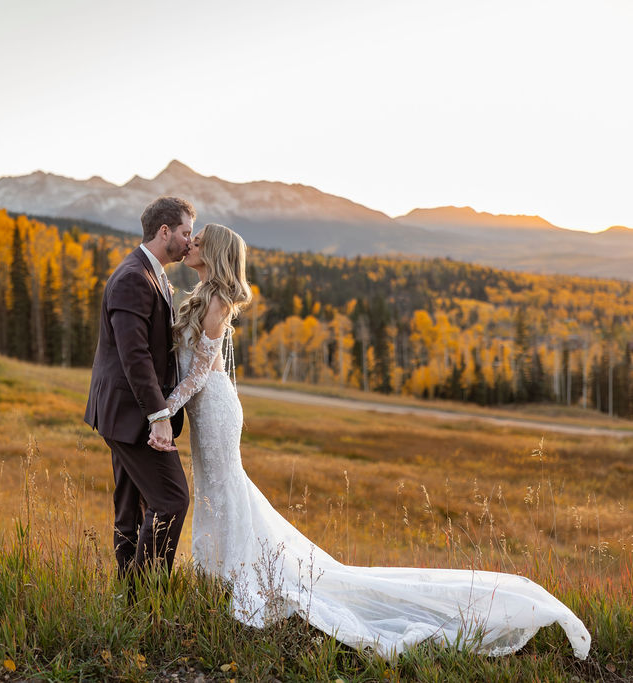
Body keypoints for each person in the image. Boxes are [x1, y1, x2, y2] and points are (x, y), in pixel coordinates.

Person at [157, 222, 592, 660]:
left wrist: (164, 409)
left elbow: (197, 374)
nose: (189, 244)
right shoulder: (202, 295)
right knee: (216, 489)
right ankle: (222, 577)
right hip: (208, 406)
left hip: (213, 407)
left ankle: (239, 580)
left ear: (214, 252)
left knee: (224, 489)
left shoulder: (217, 301)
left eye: (197, 241)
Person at [84, 196, 195, 580]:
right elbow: (134, 356)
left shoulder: (154, 274)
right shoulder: (133, 277)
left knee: (130, 507)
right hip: (130, 412)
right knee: (171, 499)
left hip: (127, 411)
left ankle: (129, 595)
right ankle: (147, 590)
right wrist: (159, 416)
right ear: (164, 231)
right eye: (185, 233)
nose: (189, 242)